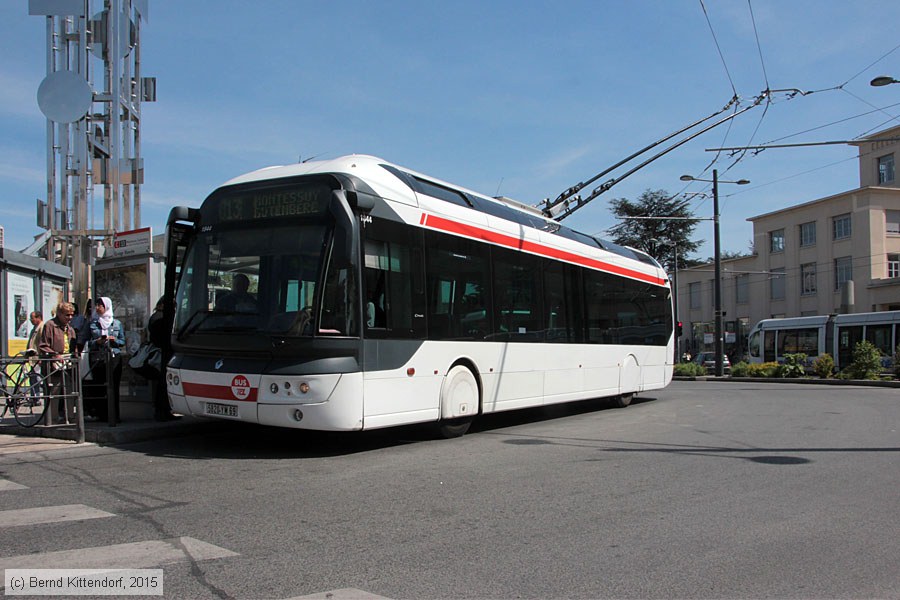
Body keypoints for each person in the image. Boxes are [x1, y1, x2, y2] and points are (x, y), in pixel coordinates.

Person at [86, 297, 125, 422]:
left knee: (113, 387)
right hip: (98, 358)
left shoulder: (117, 323)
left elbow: (122, 342)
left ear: (107, 307)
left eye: (100, 305)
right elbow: (88, 342)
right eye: (96, 305)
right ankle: (102, 415)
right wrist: (98, 341)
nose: (97, 308)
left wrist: (114, 340)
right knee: (100, 387)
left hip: (114, 357)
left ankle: (114, 416)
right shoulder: (93, 323)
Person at [38, 303, 76, 422]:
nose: (69, 318)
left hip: (68, 363)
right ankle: (52, 417)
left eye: (71, 315)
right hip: (54, 364)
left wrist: (75, 354)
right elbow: (43, 345)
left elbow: (73, 345)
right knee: (54, 390)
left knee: (69, 390)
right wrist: (54, 354)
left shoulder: (70, 328)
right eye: (67, 315)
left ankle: (70, 416)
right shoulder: (50, 325)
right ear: (59, 314)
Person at [147, 296, 179, 421]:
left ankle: (162, 410)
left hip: (161, 352)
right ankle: (162, 410)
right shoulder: (161, 318)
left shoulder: (156, 316)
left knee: (161, 384)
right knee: (163, 384)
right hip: (162, 353)